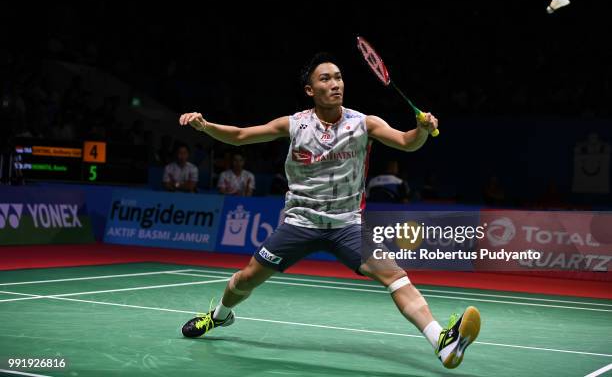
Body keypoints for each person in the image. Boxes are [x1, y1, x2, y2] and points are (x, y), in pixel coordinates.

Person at [178, 53, 480, 369]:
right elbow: (240, 137)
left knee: (395, 276)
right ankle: (220, 316)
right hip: (300, 222)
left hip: (346, 225)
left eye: (338, 77)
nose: (335, 84)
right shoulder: (295, 124)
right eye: (325, 79)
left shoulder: (364, 123)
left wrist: (420, 129)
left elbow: (406, 143)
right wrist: (205, 125)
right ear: (310, 90)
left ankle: (442, 342)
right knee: (247, 278)